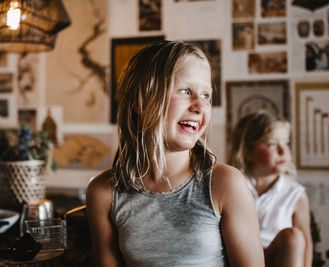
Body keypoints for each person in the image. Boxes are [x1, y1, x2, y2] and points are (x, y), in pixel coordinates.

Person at [86, 40, 264, 267]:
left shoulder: (225, 184)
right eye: (185, 91)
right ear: (141, 101)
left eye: (207, 95)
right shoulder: (104, 193)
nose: (200, 106)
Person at [229, 111, 312, 267]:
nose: (283, 151)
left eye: (286, 143)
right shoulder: (232, 187)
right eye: (272, 144)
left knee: (294, 236)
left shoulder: (295, 194)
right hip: (240, 258)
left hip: (277, 259)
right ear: (247, 152)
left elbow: (306, 244)